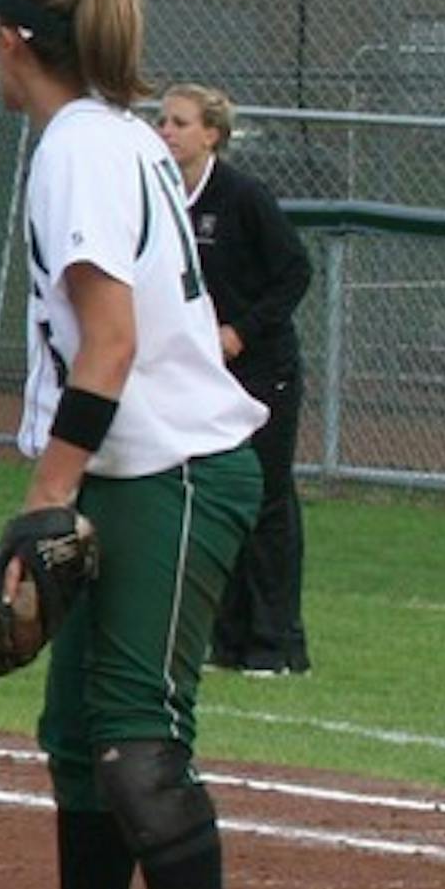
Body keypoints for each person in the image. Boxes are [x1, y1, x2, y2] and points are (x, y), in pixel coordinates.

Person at [0, 0, 267, 889]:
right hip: (126, 467)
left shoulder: (79, 148)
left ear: (14, 43)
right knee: (77, 741)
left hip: (170, 471)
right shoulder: (115, 134)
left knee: (135, 744)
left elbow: (111, 343)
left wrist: (45, 493)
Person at [158, 83, 313, 677]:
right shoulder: (164, 196)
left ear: (211, 134)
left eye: (179, 122)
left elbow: (295, 272)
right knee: (216, 495)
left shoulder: (243, 196)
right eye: (162, 121)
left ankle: (277, 645)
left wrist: (240, 332)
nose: (166, 131)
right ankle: (228, 638)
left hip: (260, 368)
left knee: (268, 499)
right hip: (200, 375)